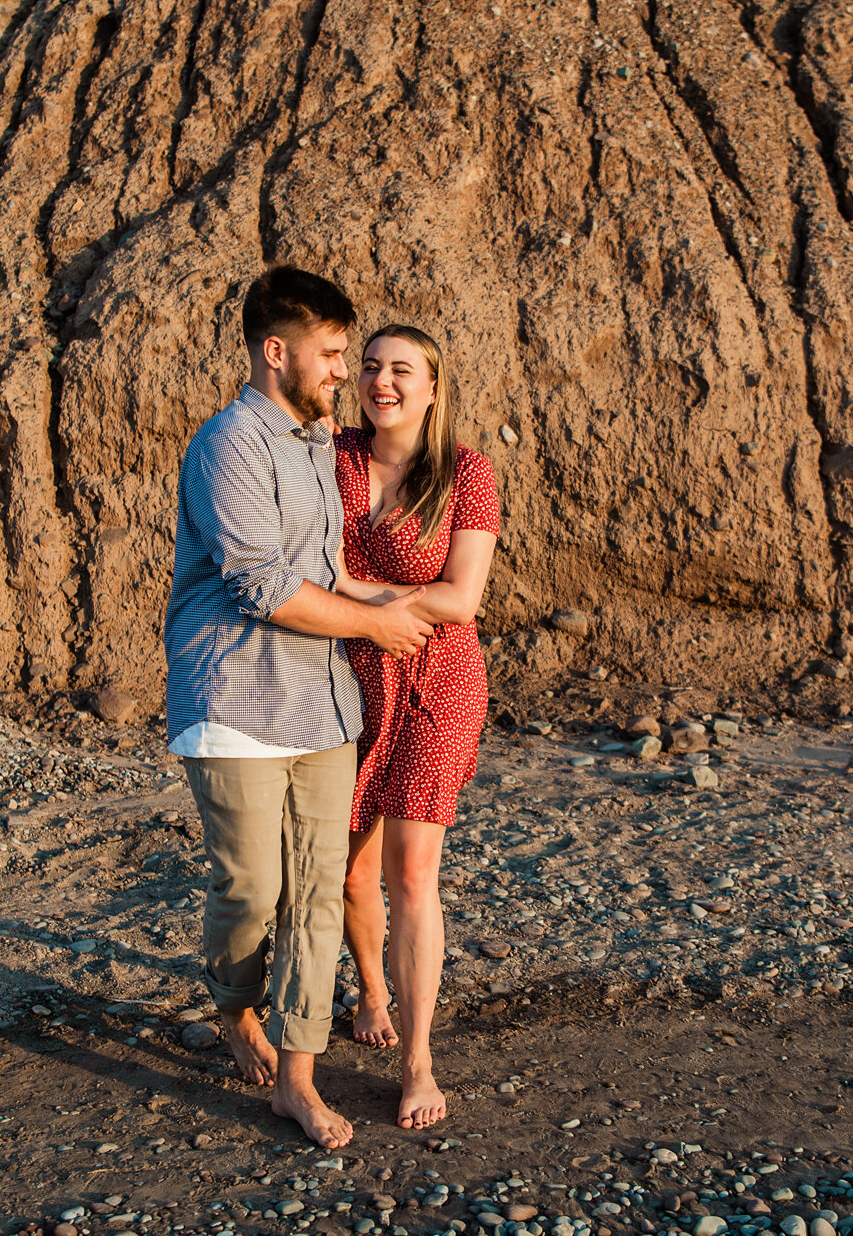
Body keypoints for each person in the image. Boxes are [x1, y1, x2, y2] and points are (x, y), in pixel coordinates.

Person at [163, 267, 436, 1150]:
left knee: (318, 894)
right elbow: (260, 584)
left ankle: (298, 1078)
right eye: (328, 355)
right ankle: (236, 1005)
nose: (340, 372)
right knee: (252, 890)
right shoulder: (228, 443)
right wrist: (372, 622)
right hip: (235, 698)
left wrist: (397, 603)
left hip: (323, 705)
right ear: (275, 352)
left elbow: (323, 569)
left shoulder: (318, 445)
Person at [330, 325, 501, 1130]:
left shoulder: (466, 471)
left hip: (439, 675)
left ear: (433, 386)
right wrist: (384, 603)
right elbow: (307, 569)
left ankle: (419, 1059)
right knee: (352, 871)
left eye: (402, 370)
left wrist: (357, 597)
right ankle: (369, 987)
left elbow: (461, 599)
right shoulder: (331, 455)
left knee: (410, 873)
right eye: (371, 367)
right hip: (346, 676)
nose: (382, 381)